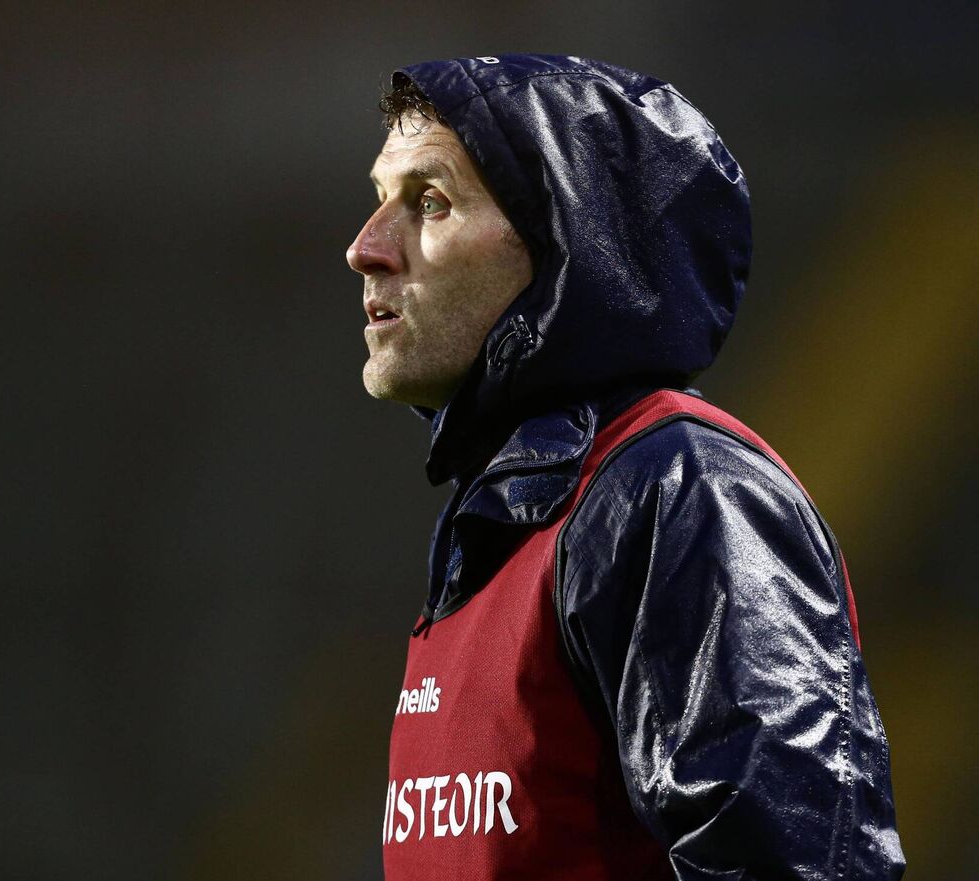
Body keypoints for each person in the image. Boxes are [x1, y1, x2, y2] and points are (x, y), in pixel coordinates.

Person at [346, 54, 904, 880]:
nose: (367, 248)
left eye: (430, 202)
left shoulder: (683, 494)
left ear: (569, 242)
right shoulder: (499, 528)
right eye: (378, 200)